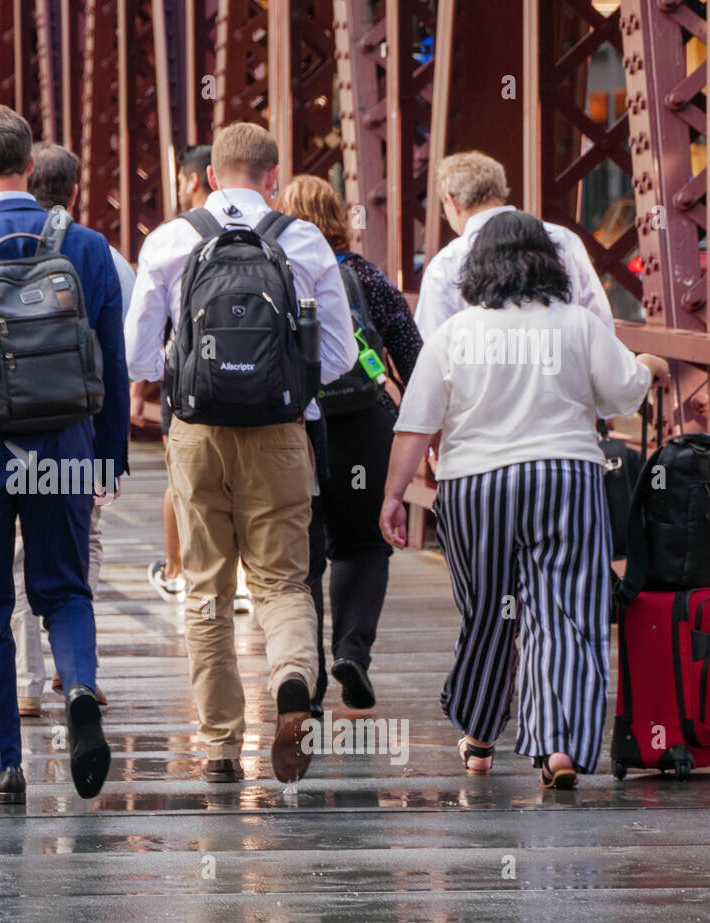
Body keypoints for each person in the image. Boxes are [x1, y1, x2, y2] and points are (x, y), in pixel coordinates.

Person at [383, 211, 670, 788]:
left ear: (479, 267)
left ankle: (482, 737)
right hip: (565, 476)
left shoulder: (455, 333)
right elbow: (624, 395)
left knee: (488, 613)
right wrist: (647, 367)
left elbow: (415, 424)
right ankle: (559, 747)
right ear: (549, 262)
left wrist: (392, 495)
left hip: (475, 486)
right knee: (566, 614)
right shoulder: (577, 325)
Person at [124, 123, 356, 784]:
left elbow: (136, 356)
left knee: (207, 586)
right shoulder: (303, 240)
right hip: (281, 432)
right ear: (272, 178)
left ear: (207, 178)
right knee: (282, 582)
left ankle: (222, 744)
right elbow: (338, 358)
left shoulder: (171, 239)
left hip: (195, 434)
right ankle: (289, 678)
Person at [0, 104, 130, 804]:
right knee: (65, 589)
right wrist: (109, 455)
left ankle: (5, 765)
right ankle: (78, 691)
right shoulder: (88, 247)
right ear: (33, 166)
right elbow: (113, 361)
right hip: (67, 447)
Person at [273, 175, 424, 711]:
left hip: (298, 427)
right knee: (362, 545)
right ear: (339, 218)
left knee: (304, 557)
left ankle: (307, 682)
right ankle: (352, 652)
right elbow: (414, 353)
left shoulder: (276, 273)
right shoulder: (365, 275)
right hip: (364, 424)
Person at [9, 140, 128, 716]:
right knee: (80, 548)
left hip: (6, 435)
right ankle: (76, 668)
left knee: (14, 558)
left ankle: (25, 686)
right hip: (76, 434)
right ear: (76, 192)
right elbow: (119, 357)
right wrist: (112, 451)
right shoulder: (101, 253)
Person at [415, 151, 613, 339]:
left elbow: (432, 343)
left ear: (452, 202)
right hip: (560, 368)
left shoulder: (446, 263)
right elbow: (599, 323)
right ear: (501, 192)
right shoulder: (564, 239)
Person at [141, 144, 214, 603]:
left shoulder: (169, 238)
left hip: (185, 384)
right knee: (243, 489)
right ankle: (243, 583)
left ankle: (176, 571)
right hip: (261, 389)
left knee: (181, 481)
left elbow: (142, 337)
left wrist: (141, 383)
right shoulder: (272, 232)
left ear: (193, 179)